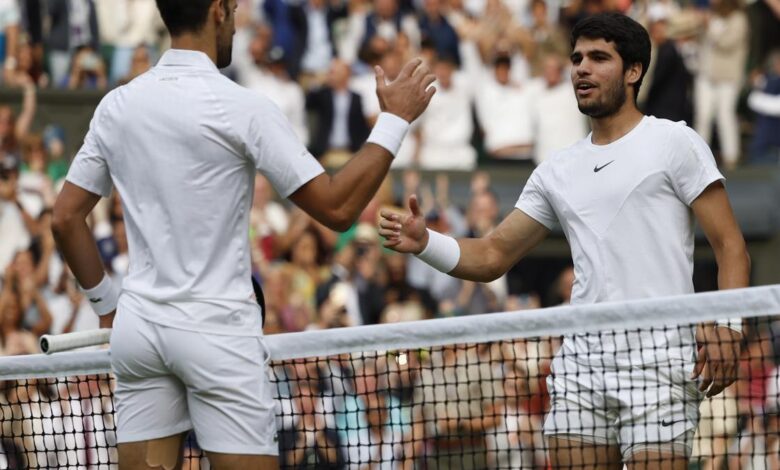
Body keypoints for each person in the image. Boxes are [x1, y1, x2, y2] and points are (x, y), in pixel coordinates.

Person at [50, 0, 435, 469]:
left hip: (140, 334)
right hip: (217, 336)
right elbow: (338, 208)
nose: (234, 20)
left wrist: (108, 310)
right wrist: (394, 121)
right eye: (232, 9)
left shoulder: (118, 104)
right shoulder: (243, 106)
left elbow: (66, 218)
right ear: (216, 11)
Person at [380, 12, 749, 470]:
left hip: (662, 367)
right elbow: (493, 254)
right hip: (582, 369)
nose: (581, 69)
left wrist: (729, 327)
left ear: (633, 71)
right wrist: (425, 242)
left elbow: (731, 245)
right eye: (576, 58)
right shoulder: (555, 171)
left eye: (599, 58)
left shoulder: (675, 141)